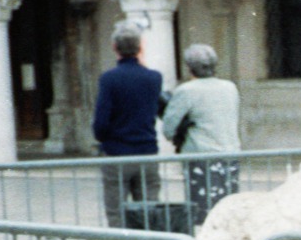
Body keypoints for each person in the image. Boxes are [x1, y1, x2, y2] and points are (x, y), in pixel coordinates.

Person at [161, 44, 242, 229]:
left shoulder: (187, 90)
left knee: (202, 214)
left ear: (189, 67)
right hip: (230, 154)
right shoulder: (230, 87)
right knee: (227, 210)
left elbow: (168, 127)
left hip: (201, 156)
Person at [92, 22, 164, 227]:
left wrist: (103, 138)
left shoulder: (109, 79)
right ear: (140, 47)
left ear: (114, 47)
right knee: (149, 210)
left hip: (117, 153)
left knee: (117, 213)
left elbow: (101, 120)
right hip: (146, 151)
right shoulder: (153, 78)